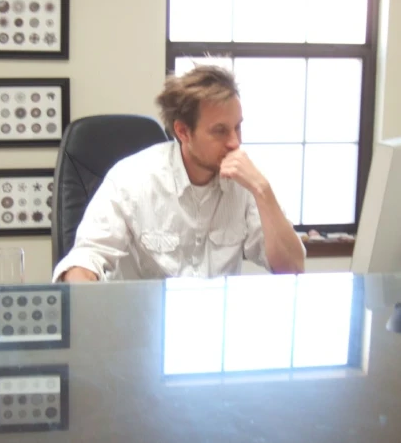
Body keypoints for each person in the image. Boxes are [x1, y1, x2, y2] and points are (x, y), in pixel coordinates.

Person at [53, 64, 306, 282]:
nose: (234, 142)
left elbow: (292, 269)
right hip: (144, 327)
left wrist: (262, 190)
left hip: (218, 326)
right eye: (220, 131)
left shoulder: (247, 183)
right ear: (183, 132)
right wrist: (84, 296)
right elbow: (87, 258)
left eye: (237, 128)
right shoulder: (131, 179)